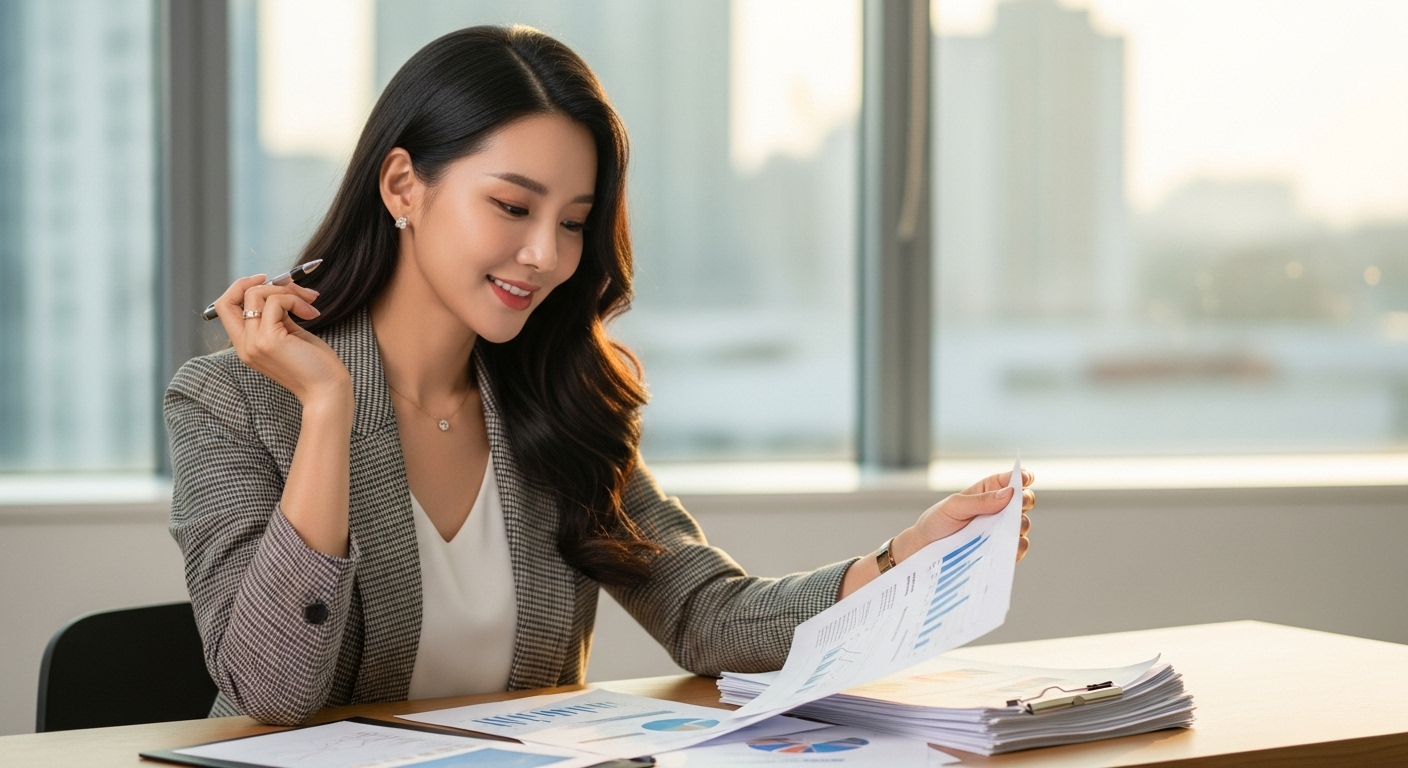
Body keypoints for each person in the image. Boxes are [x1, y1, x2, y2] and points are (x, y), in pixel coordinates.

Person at [166, 25, 1035, 726]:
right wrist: (326, 407)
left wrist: (899, 561)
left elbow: (708, 614)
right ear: (404, 185)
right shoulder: (230, 407)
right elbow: (272, 690)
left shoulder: (554, 403)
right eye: (511, 206)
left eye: (574, 222)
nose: (544, 255)